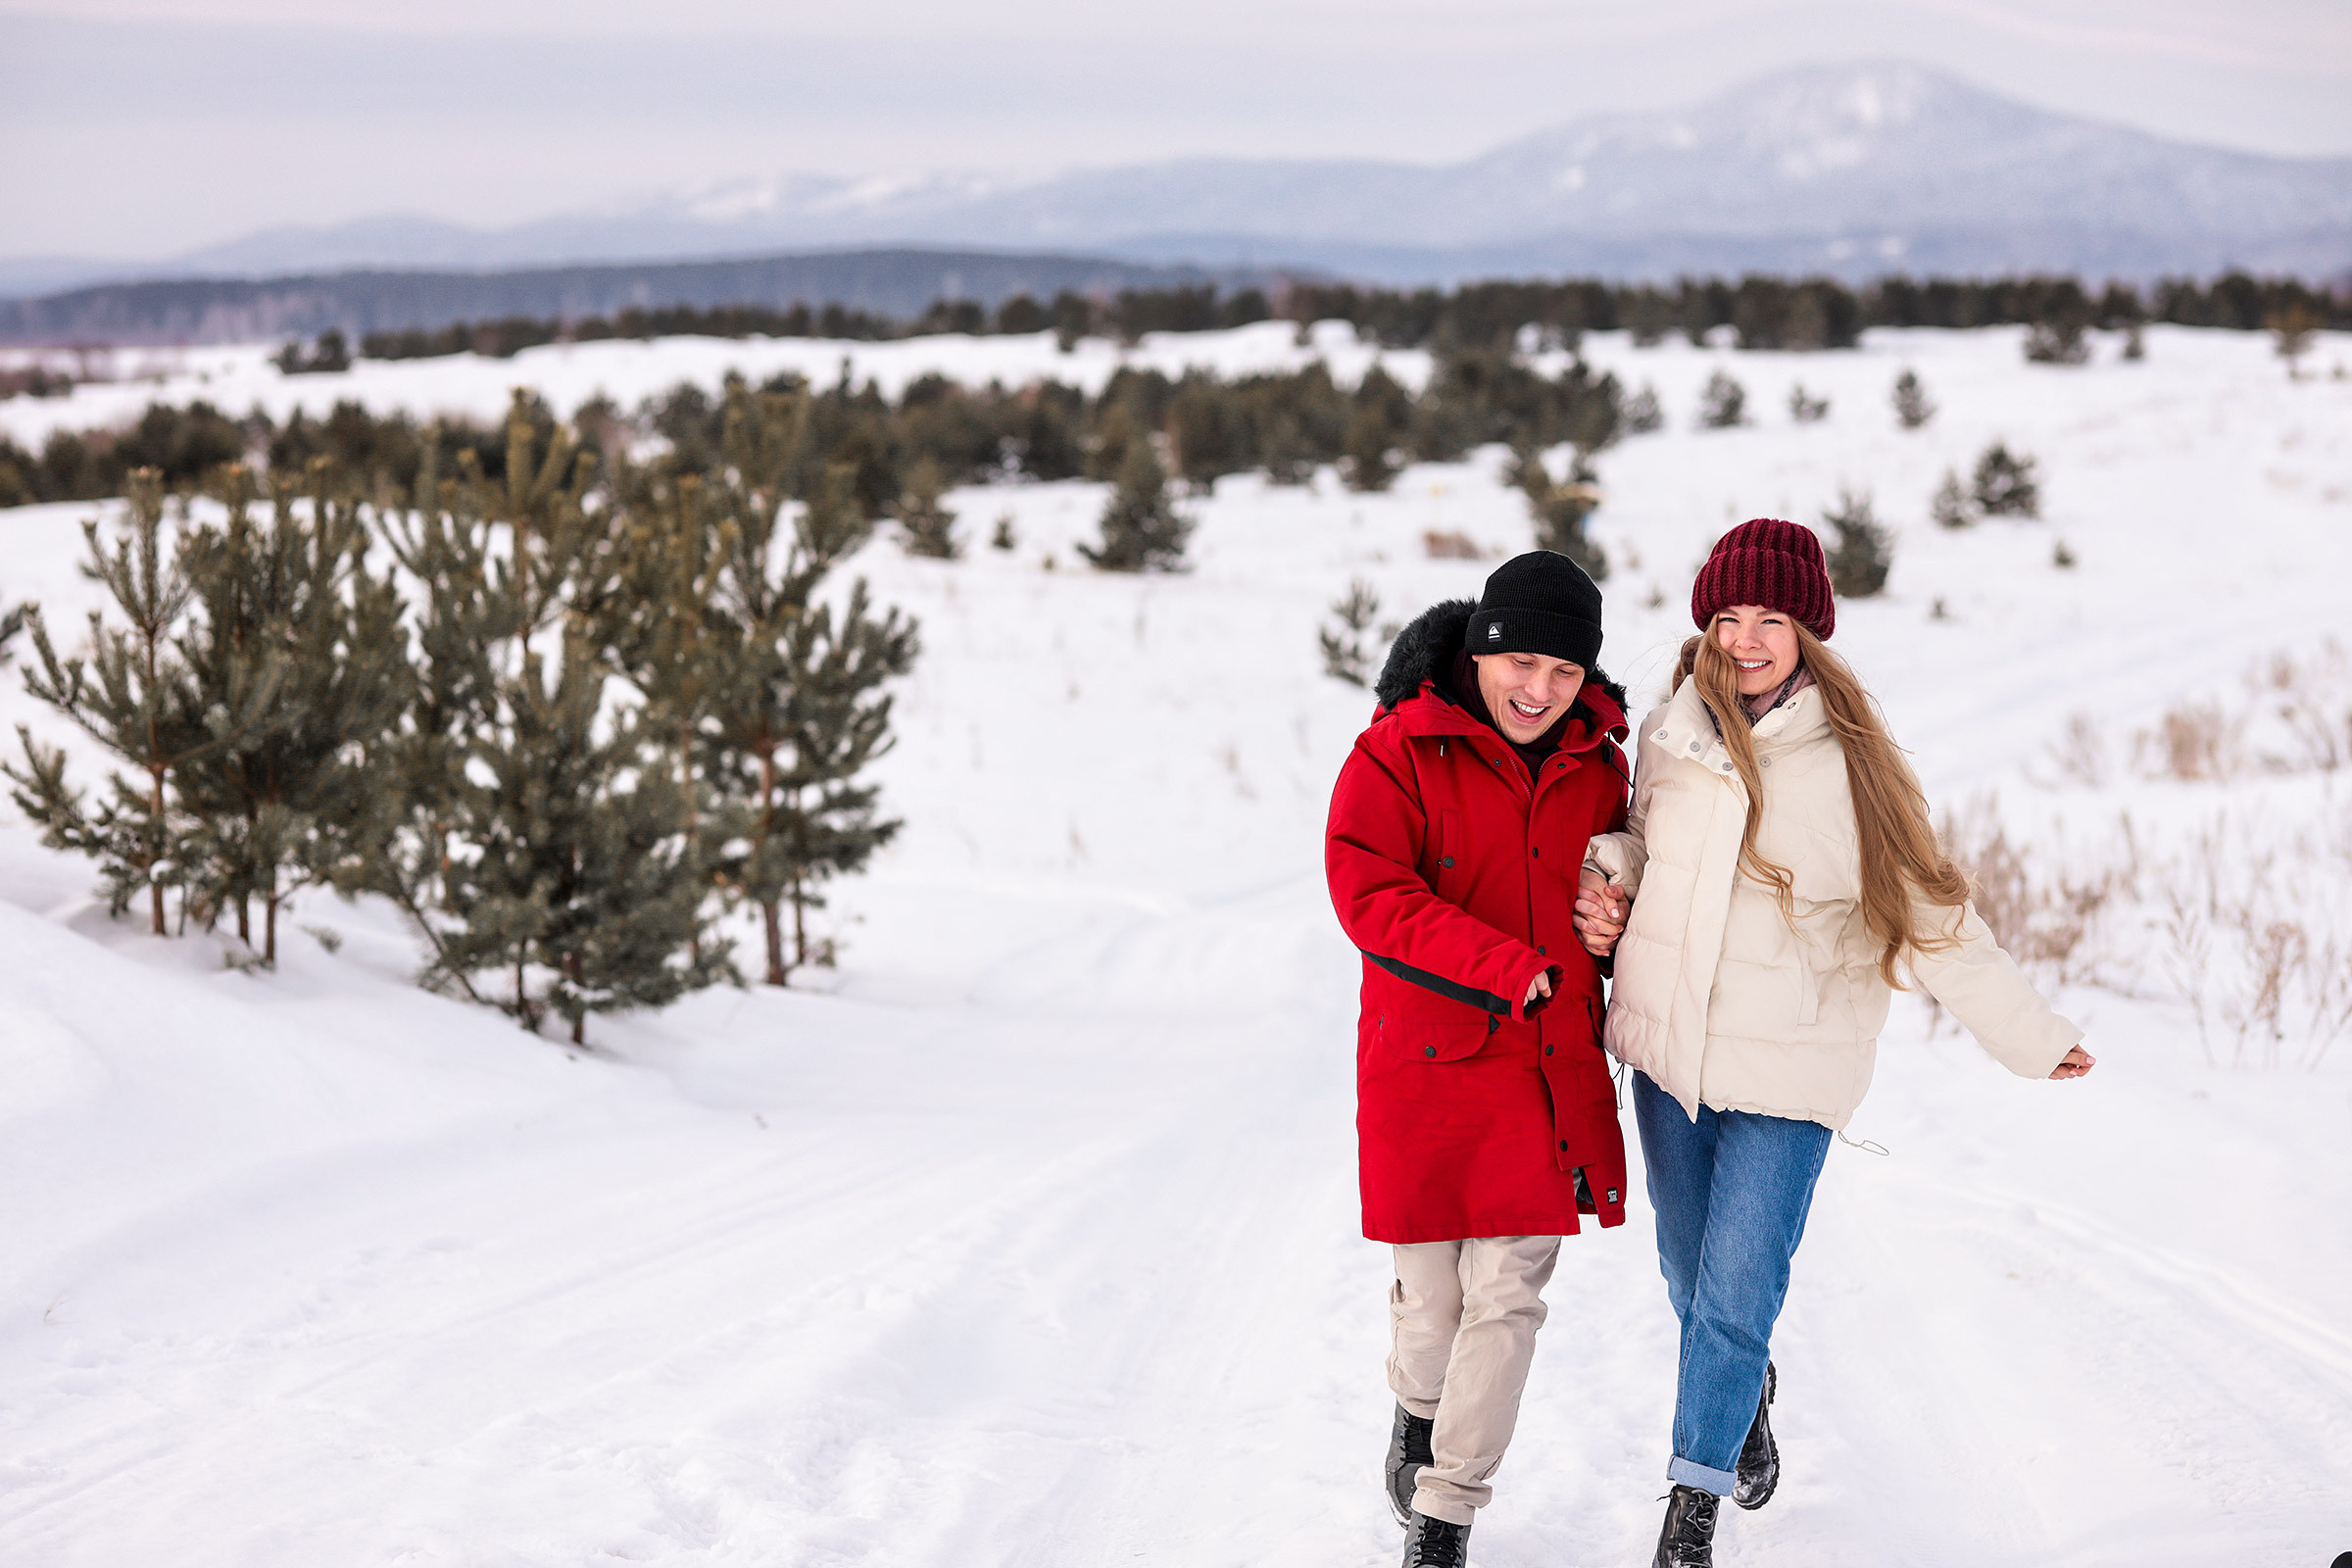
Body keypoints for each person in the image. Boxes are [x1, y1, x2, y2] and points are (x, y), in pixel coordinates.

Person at [1570, 518, 2095, 1568]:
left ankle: (1691, 1507)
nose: (1748, 640)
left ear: (1810, 626)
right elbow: (1643, 838)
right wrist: (1612, 875)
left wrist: (2030, 1036)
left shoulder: (1857, 765)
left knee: (1736, 1288)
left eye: (1771, 618)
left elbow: (1932, 915)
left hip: (1792, 1067)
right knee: (1686, 1272)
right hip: (1672, 1053)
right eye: (1728, 617)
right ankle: (1743, 1394)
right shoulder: (1673, 736)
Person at [1325, 552, 1633, 1568]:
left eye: (1563, 671)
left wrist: (1612, 922)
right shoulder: (1398, 751)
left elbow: (1630, 890)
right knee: (1435, 1301)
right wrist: (1505, 964)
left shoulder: (1602, 765)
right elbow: (1368, 891)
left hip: (1546, 1066)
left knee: (1509, 1296)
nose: (1538, 691)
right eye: (1521, 663)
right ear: (1480, 649)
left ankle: (1446, 1512)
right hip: (1430, 1060)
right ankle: (1415, 1414)